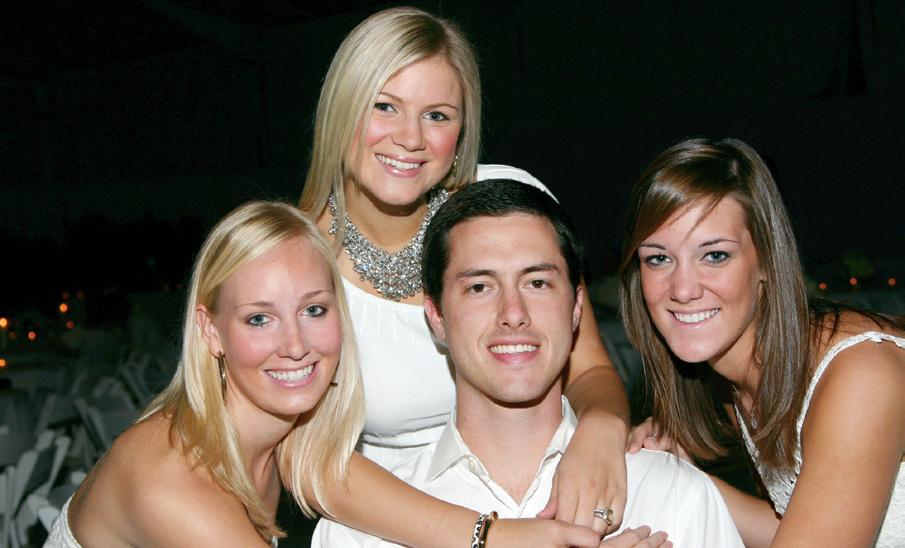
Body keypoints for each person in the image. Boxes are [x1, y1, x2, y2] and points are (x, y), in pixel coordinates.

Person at [298, 6, 631, 543]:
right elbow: (309, 461)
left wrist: (602, 430)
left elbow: (589, 366)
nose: (411, 138)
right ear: (341, 108)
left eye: (437, 115)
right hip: (398, 524)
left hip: (550, 485)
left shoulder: (504, 203)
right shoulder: (295, 261)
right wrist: (491, 537)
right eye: (385, 106)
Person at [313, 180, 744, 547]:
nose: (513, 313)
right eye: (480, 287)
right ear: (437, 316)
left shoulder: (675, 495)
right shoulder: (357, 534)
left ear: (576, 307)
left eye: (537, 282)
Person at [621, 137, 905, 547]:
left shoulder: (861, 375)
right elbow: (797, 529)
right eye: (658, 258)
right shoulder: (738, 381)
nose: (682, 289)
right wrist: (678, 475)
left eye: (715, 255)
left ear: (768, 261)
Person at [46, 201, 364, 546]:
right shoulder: (175, 482)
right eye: (259, 319)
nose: (295, 345)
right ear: (211, 330)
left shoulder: (282, 438)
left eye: (313, 310)